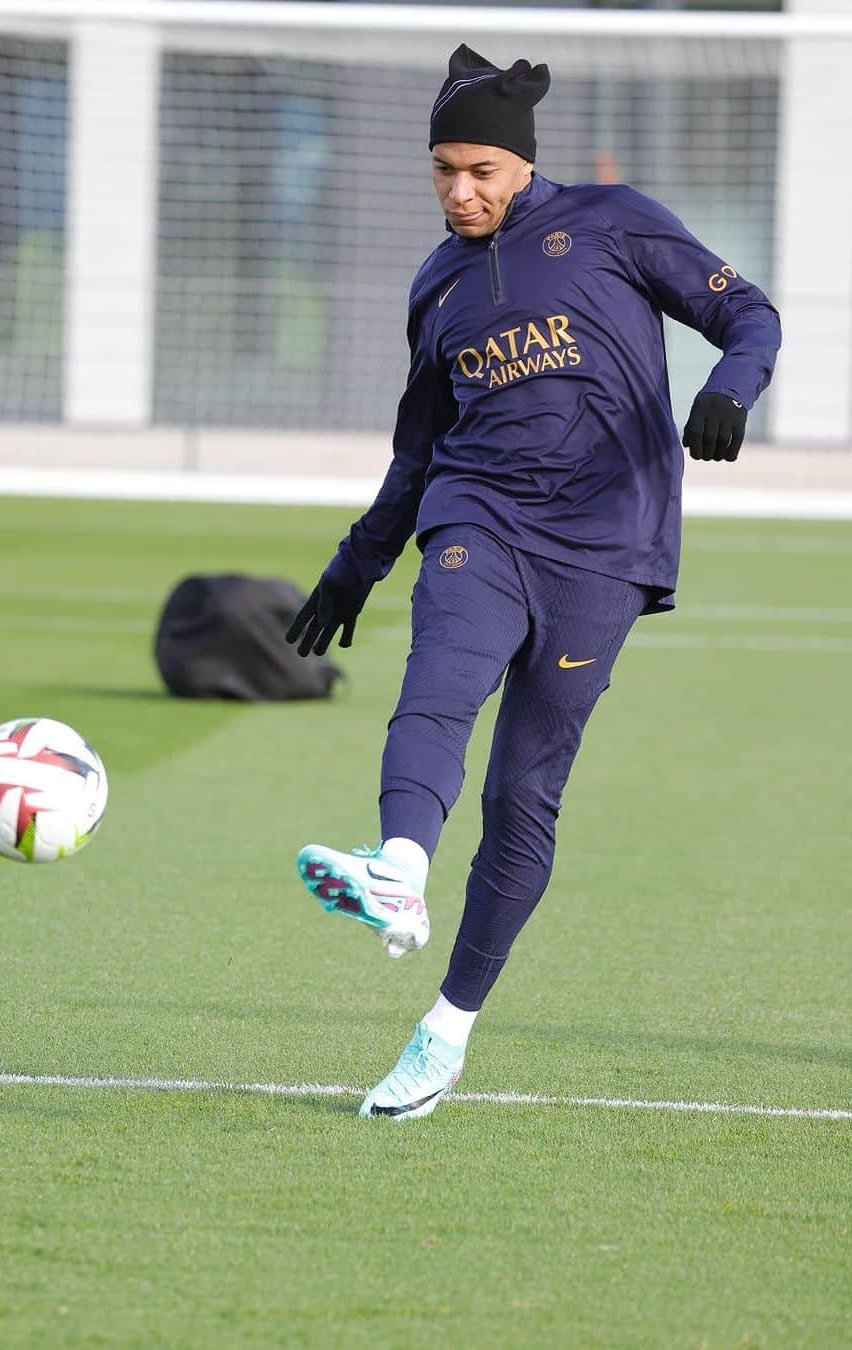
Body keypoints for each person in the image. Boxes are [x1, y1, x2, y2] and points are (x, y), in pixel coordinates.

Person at [285, 45, 781, 1121]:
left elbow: (751, 315)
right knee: (441, 680)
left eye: (480, 171)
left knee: (523, 796)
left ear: (520, 163)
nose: (460, 192)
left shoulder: (612, 222)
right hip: (481, 519)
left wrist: (731, 389)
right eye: (442, 171)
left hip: (607, 548)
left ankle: (445, 1032)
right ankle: (399, 872)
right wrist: (356, 563)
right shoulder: (437, 287)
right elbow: (419, 456)